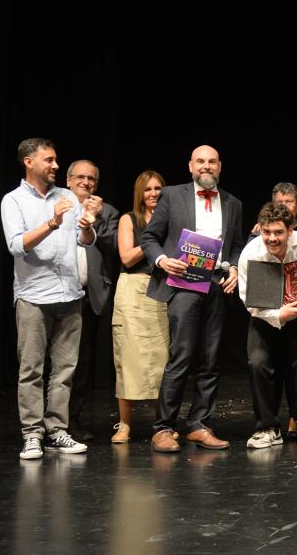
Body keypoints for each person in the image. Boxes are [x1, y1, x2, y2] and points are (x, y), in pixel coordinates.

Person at [141, 144, 245, 452]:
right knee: (182, 356)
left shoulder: (233, 203)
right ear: (190, 166)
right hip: (184, 283)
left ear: (220, 166)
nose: (206, 166)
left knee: (211, 360)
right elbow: (149, 237)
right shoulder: (172, 195)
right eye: (200, 161)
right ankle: (163, 428)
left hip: (216, 286)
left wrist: (237, 266)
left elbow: (237, 244)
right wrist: (162, 260)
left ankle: (199, 424)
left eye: (212, 161)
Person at [1, 138, 96, 459]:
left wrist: (86, 227)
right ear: (29, 162)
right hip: (33, 297)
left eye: (56, 160)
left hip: (70, 295)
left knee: (65, 369)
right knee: (32, 370)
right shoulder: (12, 201)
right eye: (49, 160)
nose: (56, 166)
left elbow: (84, 242)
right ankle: (32, 433)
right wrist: (52, 222)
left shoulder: (67, 196)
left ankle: (57, 430)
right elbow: (17, 245)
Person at [238, 203, 297, 451]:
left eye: (278, 232)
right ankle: (267, 428)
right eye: (266, 232)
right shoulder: (251, 253)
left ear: (290, 230)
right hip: (264, 318)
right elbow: (247, 299)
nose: (272, 238)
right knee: (258, 362)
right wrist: (278, 315)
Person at [109, 170, 170, 443]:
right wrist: (152, 239)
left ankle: (163, 424)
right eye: (148, 189)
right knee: (128, 358)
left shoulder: (170, 220)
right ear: (140, 193)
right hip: (133, 289)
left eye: (158, 188)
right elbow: (126, 257)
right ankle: (124, 424)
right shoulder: (128, 219)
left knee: (162, 359)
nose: (153, 194)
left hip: (162, 288)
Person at [65, 159, 120, 441]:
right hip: (58, 295)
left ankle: (72, 421)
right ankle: (49, 422)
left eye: (91, 179)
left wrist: (95, 217)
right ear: (68, 180)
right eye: (80, 178)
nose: (86, 183)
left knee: (82, 364)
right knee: (57, 363)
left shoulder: (108, 211)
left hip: (90, 295)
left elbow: (114, 247)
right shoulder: (56, 207)